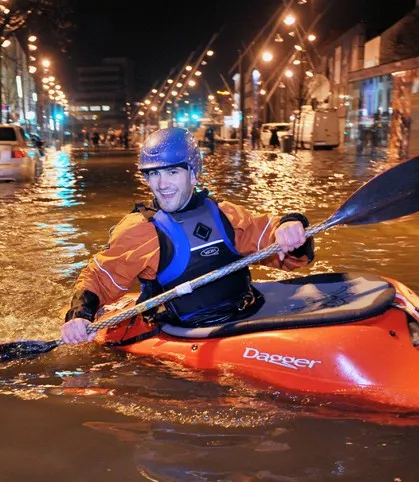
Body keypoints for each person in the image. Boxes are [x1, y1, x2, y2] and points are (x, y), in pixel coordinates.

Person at [61, 127, 313, 344]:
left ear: (193, 174)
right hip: (182, 331)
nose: (162, 184)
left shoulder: (226, 214)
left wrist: (291, 227)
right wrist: (80, 316)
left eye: (172, 172)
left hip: (244, 313)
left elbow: (284, 254)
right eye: (153, 174)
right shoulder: (139, 230)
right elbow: (99, 278)